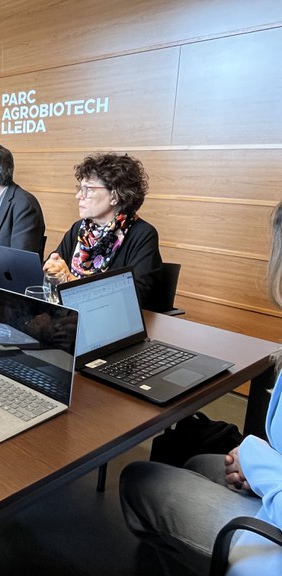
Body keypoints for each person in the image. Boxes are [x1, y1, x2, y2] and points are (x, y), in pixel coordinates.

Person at [119, 201, 282, 576]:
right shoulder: (81, 232)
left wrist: (255, 458)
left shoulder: (140, 234)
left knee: (136, 478)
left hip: (271, 539)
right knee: (195, 463)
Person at [42, 152, 164, 311]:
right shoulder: (79, 230)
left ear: (114, 196)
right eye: (80, 188)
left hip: (112, 321)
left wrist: (70, 282)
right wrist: (52, 268)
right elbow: (54, 272)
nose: (78, 196)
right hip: (71, 315)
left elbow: (135, 298)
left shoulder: (142, 235)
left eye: (87, 189)